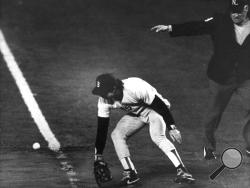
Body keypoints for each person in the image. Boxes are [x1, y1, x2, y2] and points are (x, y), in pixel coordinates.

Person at [151, 0, 250, 160]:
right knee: (214, 114)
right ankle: (209, 148)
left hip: (245, 77)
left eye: (238, 11)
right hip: (221, 77)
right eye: (232, 11)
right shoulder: (220, 21)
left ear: (246, 8)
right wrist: (171, 28)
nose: (234, 15)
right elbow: (197, 26)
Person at [92, 73, 195, 185]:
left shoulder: (134, 87)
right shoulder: (103, 101)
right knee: (117, 135)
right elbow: (102, 128)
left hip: (155, 109)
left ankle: (182, 171)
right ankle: (130, 173)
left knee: (157, 137)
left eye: (104, 92)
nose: (102, 96)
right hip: (137, 113)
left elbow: (160, 105)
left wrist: (172, 127)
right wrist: (98, 155)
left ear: (114, 88)